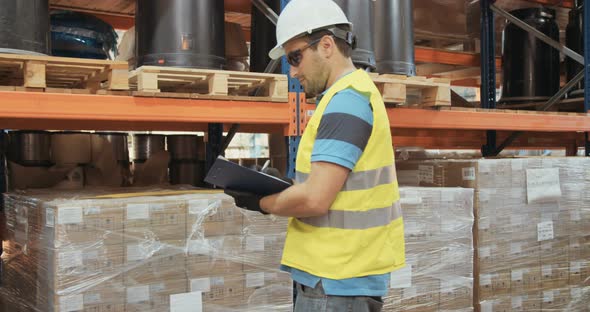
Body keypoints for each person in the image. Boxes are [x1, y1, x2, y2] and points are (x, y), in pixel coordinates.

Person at [225, 0, 405, 311]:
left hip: (336, 279)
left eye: (295, 57)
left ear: (325, 46)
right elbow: (330, 188)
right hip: (340, 276)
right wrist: (286, 186)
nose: (292, 71)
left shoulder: (345, 103)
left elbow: (314, 200)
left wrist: (261, 202)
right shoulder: (351, 96)